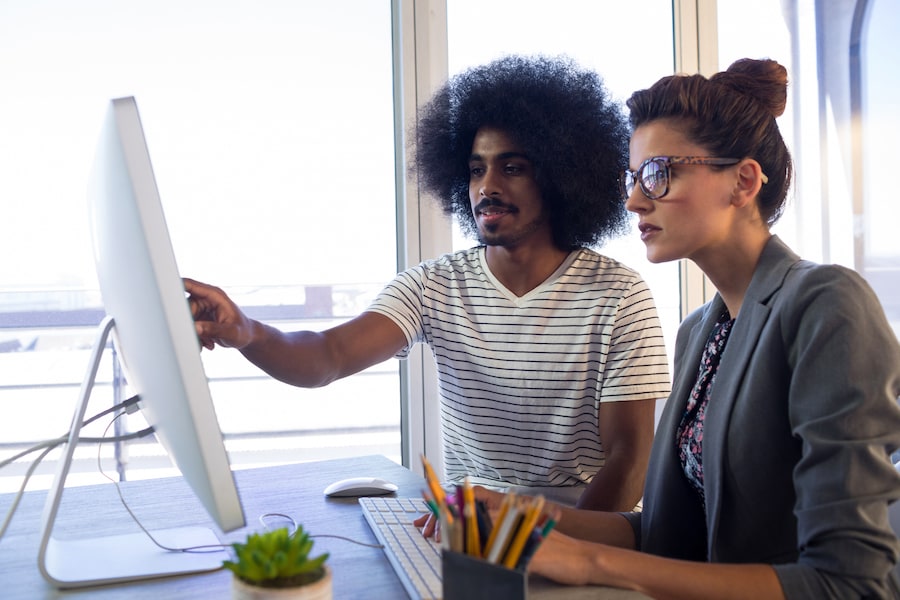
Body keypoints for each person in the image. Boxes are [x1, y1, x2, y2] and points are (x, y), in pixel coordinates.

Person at [471, 58, 900, 598]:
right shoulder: (700, 331)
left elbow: (850, 582)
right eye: (634, 177)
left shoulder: (827, 305)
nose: (633, 200)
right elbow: (671, 534)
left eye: (659, 173)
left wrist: (589, 563)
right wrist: (527, 517)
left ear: (742, 181)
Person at [184, 54, 671, 511]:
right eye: (476, 169)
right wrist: (247, 331)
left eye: (513, 167)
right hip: (470, 528)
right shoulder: (433, 286)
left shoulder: (618, 296)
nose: (488, 186)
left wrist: (553, 542)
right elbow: (325, 358)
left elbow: (628, 460)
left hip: (584, 533)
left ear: (562, 176)